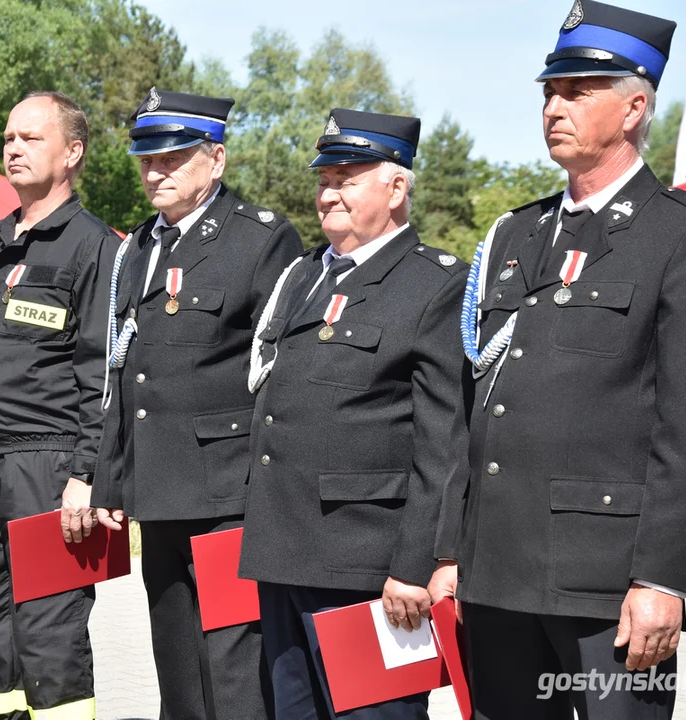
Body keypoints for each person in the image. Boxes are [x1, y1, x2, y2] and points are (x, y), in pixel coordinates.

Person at [429, 2, 686, 718]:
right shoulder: (516, 233)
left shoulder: (685, 237)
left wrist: (663, 580)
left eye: (576, 92)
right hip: (496, 571)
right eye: (548, 92)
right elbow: (471, 407)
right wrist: (446, 553)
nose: (553, 107)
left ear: (633, 107)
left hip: (607, 583)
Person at [238, 109, 467, 719]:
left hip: (368, 565)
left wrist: (418, 564)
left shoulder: (436, 284)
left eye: (347, 178)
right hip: (284, 551)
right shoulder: (304, 275)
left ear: (396, 188)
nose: (328, 194)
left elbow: (444, 441)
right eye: (323, 180)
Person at [91, 87, 303, 719]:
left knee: (234, 667)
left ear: (215, 160)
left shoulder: (261, 240)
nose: (154, 172)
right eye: (146, 160)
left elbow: (279, 373)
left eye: (172, 159)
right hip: (159, 491)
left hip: (227, 494)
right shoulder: (138, 248)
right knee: (178, 667)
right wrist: (110, 477)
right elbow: (120, 371)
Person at [0, 91, 119, 720]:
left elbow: (103, 372)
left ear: (72, 153)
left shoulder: (95, 248)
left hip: (48, 464)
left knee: (49, 624)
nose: (13, 147)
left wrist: (85, 474)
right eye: (9, 136)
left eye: (31, 138)